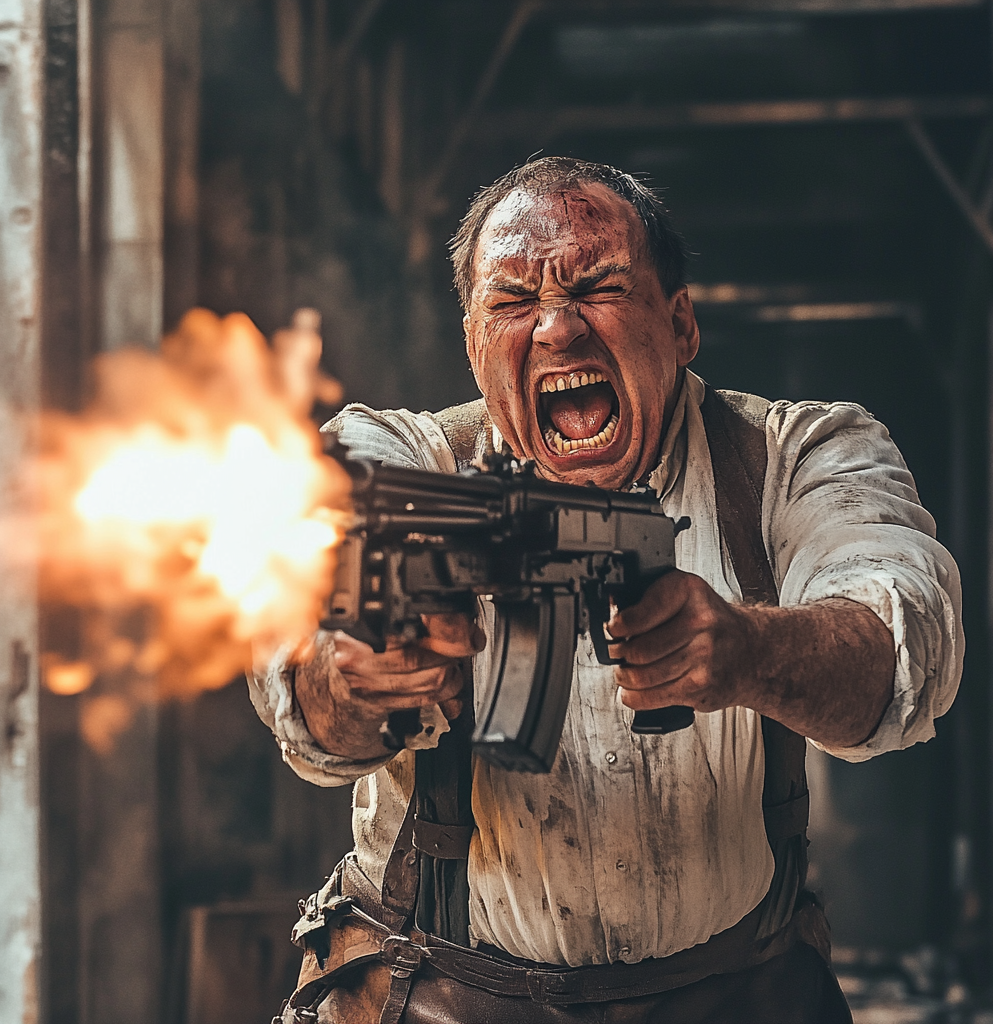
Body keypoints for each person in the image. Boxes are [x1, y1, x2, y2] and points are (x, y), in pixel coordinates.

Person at [249, 157, 963, 1024]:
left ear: (682, 321)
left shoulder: (794, 458)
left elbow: (905, 645)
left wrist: (745, 653)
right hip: (441, 992)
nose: (556, 329)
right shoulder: (398, 464)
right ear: (473, 345)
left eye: (597, 285)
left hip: (733, 992)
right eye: (512, 302)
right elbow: (301, 667)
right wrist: (357, 676)